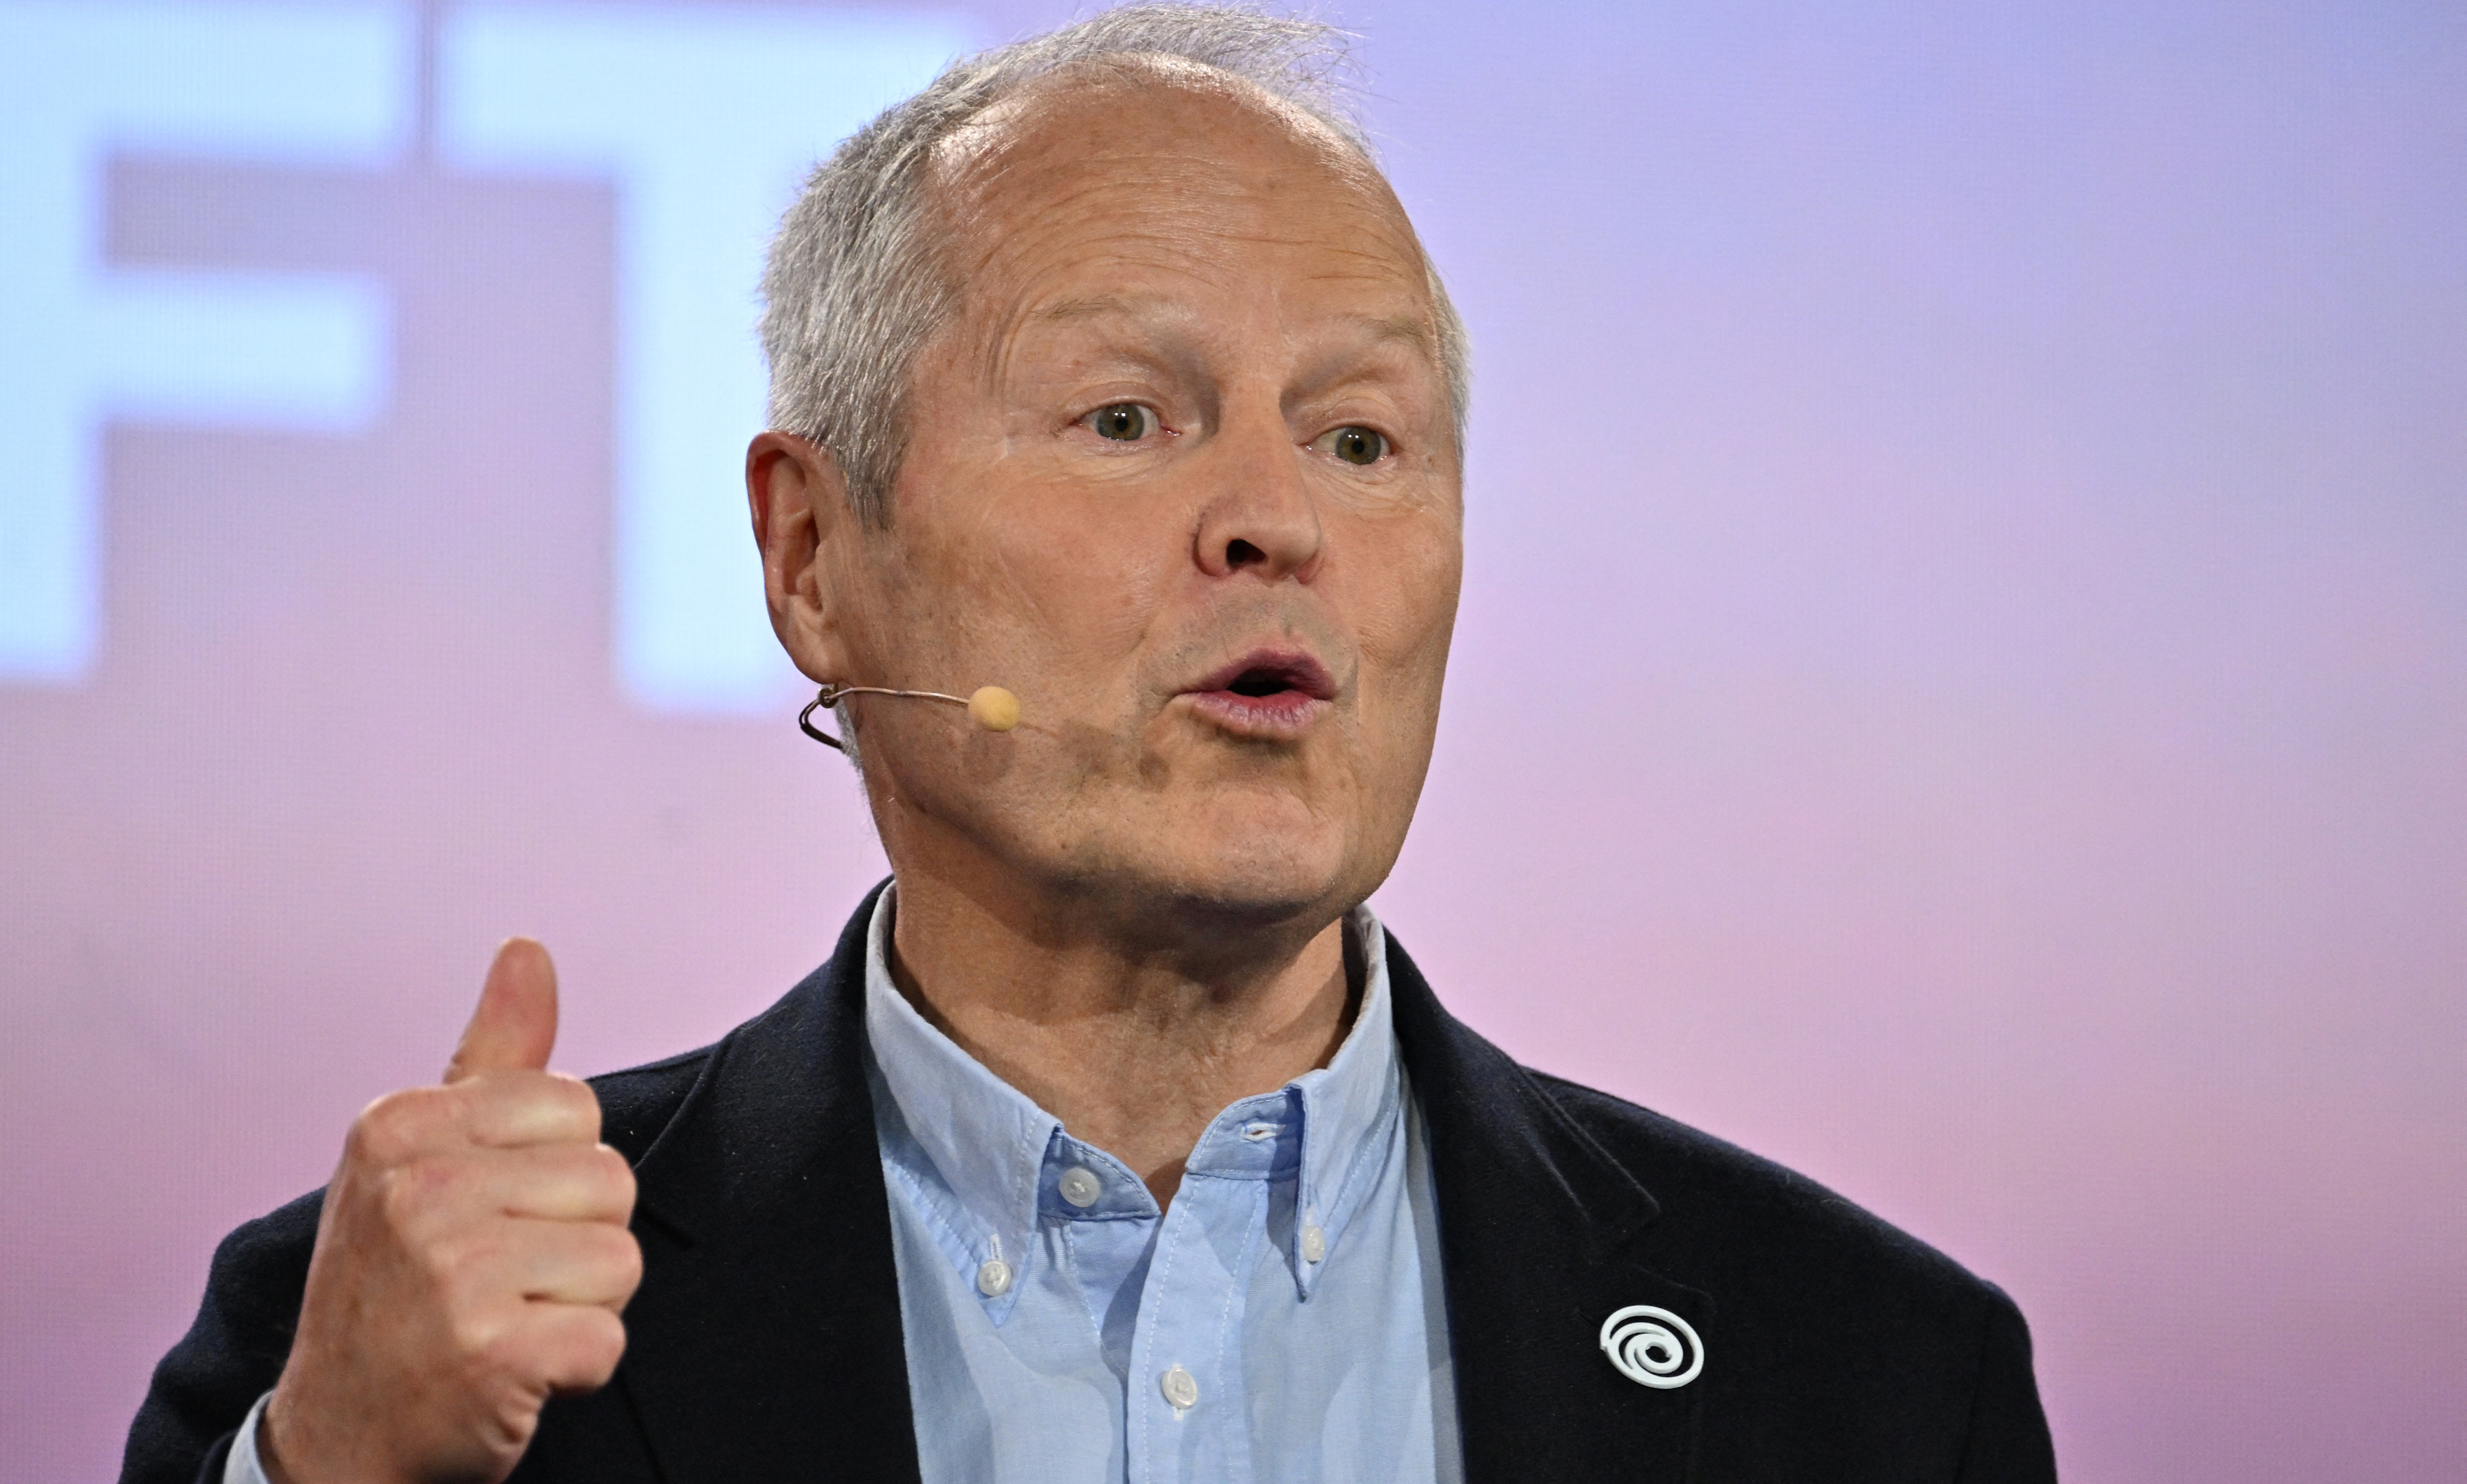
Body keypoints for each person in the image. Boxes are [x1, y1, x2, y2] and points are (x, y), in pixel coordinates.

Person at [121, 6, 2056, 1481]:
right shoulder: (389, 1348)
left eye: (1362, 439)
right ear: (813, 554)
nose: (1274, 520)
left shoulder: (1864, 1378)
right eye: (1129, 418)